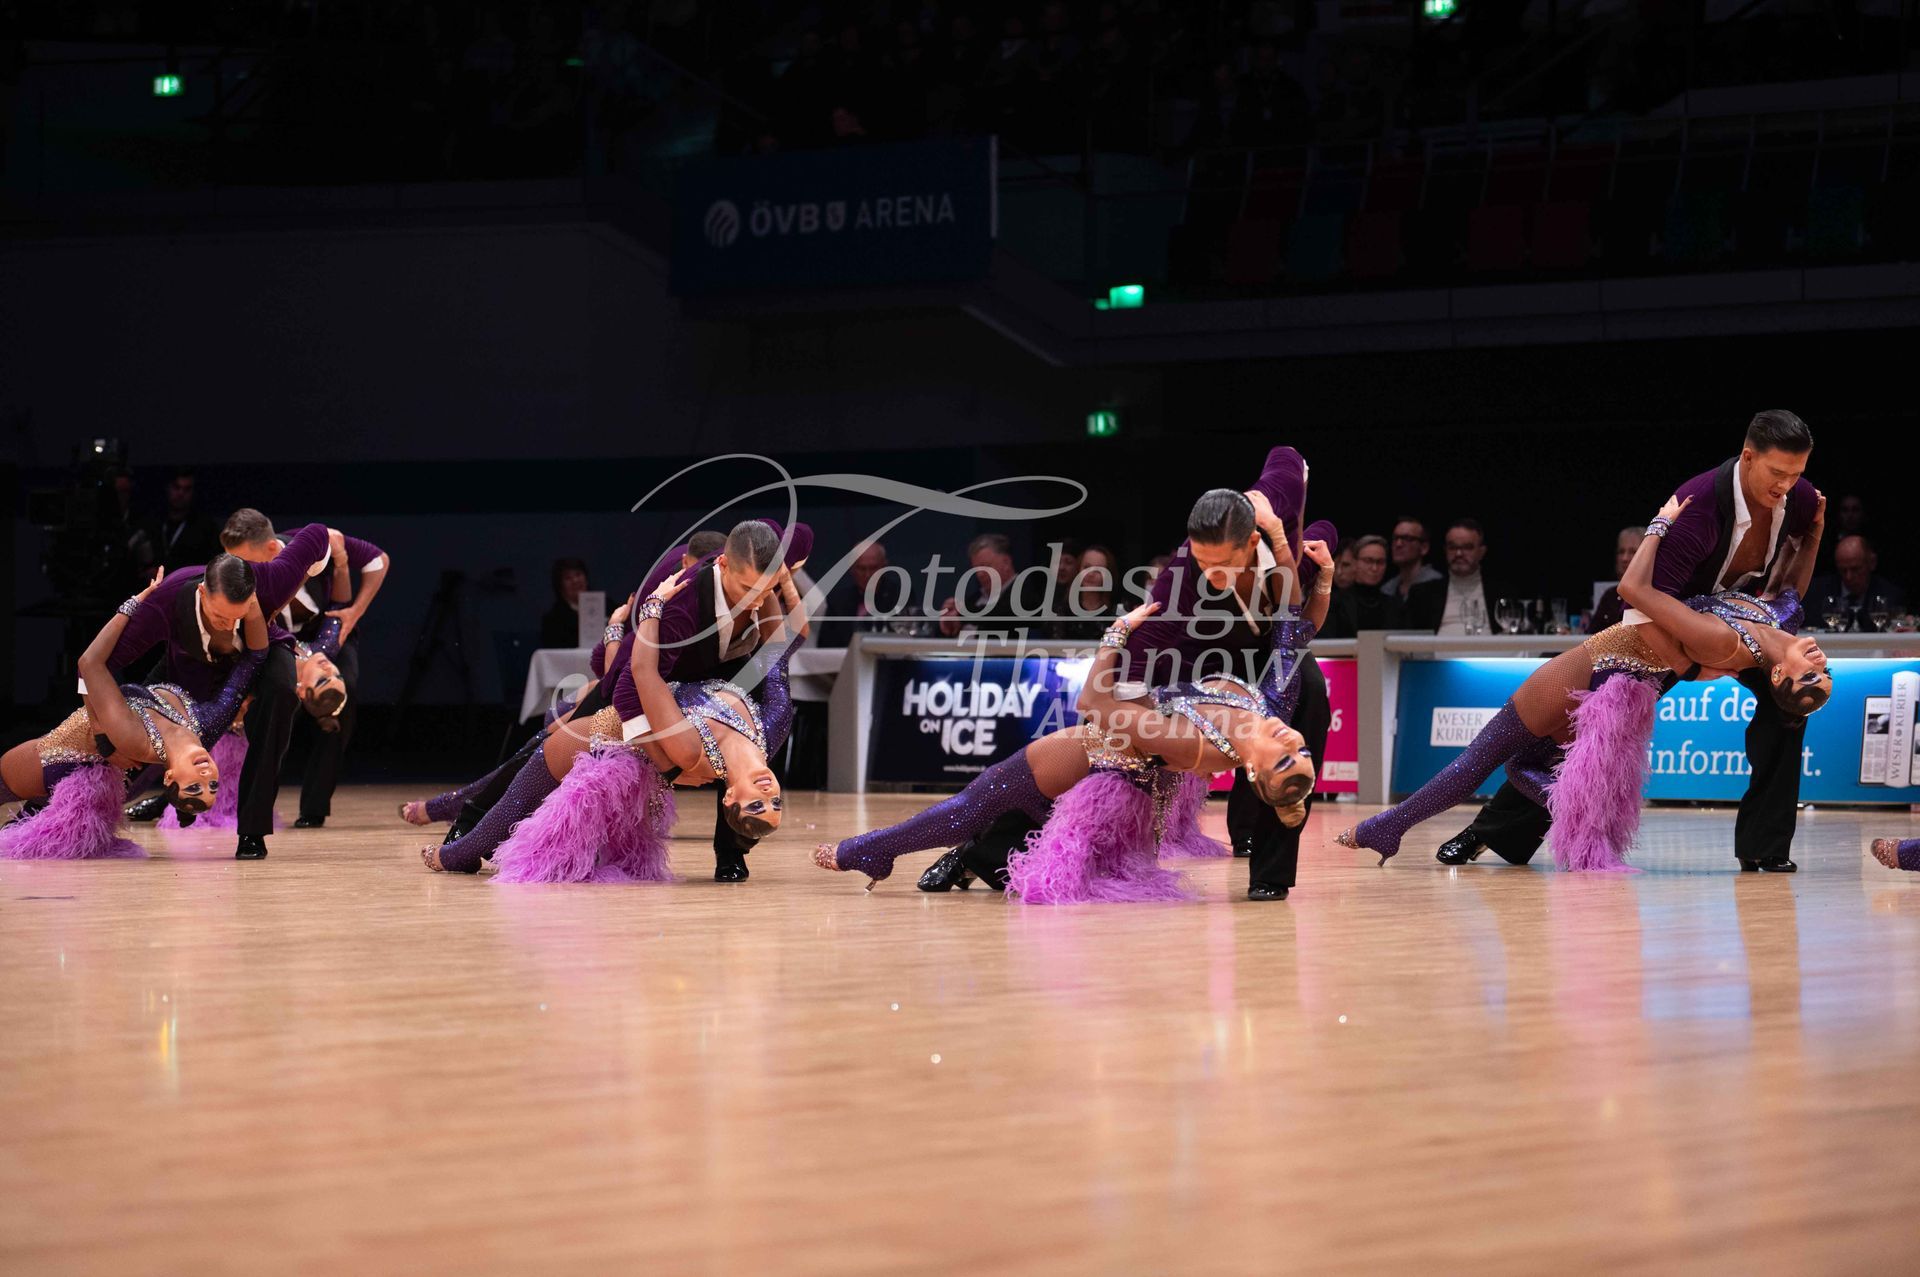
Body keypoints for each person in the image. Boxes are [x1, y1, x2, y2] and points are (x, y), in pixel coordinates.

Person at [1338, 487, 1830, 871]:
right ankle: (1412, 825)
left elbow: (1633, 590)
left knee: (1479, 761)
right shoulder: (1780, 620)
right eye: (1824, 673)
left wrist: (1660, 526)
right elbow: (1790, 585)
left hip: (1594, 670)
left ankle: (1390, 826)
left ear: (1779, 674)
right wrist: (1813, 532)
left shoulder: (1724, 643)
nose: (1819, 662)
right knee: (1516, 763)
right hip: (1609, 680)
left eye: (1811, 676)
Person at [1438, 410, 1823, 872]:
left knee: (1788, 710)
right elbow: (1641, 605)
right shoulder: (1699, 506)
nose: (1787, 485)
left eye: (1796, 473)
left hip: (1744, 623)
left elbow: (1791, 577)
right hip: (1668, 627)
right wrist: (1690, 667)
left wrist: (1807, 545)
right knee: (1591, 726)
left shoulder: (1799, 498)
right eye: (1778, 472)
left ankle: (1765, 845)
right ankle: (1491, 832)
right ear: (1747, 457)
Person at [814, 561, 1321, 900]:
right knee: (1000, 819)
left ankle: (870, 850)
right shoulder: (1271, 706)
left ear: (1252, 773)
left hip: (1095, 758)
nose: (1293, 743)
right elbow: (1292, 633)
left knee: (970, 807)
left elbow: (1093, 703)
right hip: (1119, 776)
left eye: (1283, 760)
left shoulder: (1196, 747)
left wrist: (1116, 634)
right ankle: (963, 855)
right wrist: (1310, 567)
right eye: (1303, 753)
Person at [420, 559, 806, 881]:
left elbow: (643, 674)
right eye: (775, 803)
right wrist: (775, 582)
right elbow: (780, 650)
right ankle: (456, 829)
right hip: (627, 716)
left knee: (519, 798)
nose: (767, 793)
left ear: (730, 799)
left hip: (604, 734)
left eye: (757, 805)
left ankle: (455, 854)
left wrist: (652, 607)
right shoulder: (773, 726)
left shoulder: (692, 751)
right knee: (538, 749)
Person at [1106, 447, 1335, 901]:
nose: (1210, 575)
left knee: (1308, 692)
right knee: (1105, 740)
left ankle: (1271, 869)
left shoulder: (1277, 506)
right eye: (1202, 561)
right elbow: (1144, 646)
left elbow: (1287, 457)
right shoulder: (1182, 576)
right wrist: (1127, 711)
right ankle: (1000, 840)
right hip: (1204, 652)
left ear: (1251, 542)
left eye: (1222, 564)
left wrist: (1304, 549)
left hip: (1275, 639)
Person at [1, 567, 267, 859]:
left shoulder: (136, 740)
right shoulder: (208, 723)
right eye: (212, 785)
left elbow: (89, 664)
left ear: (169, 778)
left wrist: (134, 604)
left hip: (53, 764)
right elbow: (253, 659)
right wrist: (251, 602)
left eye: (194, 787)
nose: (205, 775)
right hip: (71, 765)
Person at [1406, 520, 1496, 634]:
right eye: (1452, 547)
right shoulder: (1423, 594)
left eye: (1467, 547)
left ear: (1481, 552)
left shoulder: (1502, 593)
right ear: (1445, 551)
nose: (1459, 553)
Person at [815, 539, 905, 646]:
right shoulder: (838, 601)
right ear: (852, 569)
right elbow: (825, 646)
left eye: (873, 568)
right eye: (862, 569)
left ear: (884, 567)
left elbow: (904, 640)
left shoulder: (899, 596)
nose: (868, 575)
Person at [1807, 536, 1905, 631]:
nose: (1848, 577)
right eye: (1843, 570)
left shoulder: (1890, 595)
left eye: (1855, 569)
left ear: (1872, 563)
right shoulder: (1816, 593)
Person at [1322, 535, 1402, 637]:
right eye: (1368, 561)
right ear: (1355, 563)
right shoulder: (1334, 603)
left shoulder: (1395, 605)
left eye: (1380, 562)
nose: (1374, 568)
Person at [147, 469, 221, 574]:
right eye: (176, 487)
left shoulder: (206, 528)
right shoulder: (153, 523)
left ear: (193, 493)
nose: (181, 493)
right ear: (168, 489)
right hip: (155, 582)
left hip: (191, 582)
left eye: (187, 489)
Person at [1585, 526, 1646, 634]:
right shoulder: (1610, 595)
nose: (1624, 558)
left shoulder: (1655, 595)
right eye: (1621, 552)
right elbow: (1590, 636)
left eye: (1632, 552)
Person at [1384, 517, 1441, 602]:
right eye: (1395, 538)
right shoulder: (1387, 589)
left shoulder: (1437, 586)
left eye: (1407, 538)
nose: (1398, 544)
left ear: (1424, 548)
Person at [540, 557, 590, 647]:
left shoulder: (607, 606)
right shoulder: (553, 619)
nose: (575, 581)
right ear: (560, 586)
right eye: (568, 578)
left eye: (578, 575)